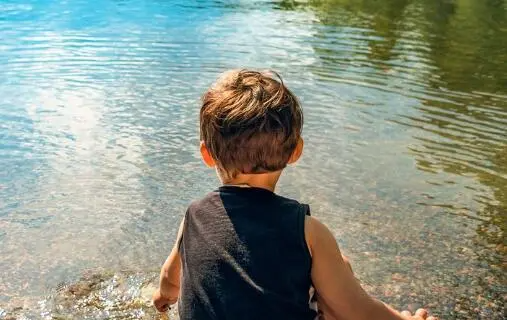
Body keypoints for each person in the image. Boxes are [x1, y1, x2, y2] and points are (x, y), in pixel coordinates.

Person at [152, 69, 438, 320]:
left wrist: (162, 300)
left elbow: (169, 279)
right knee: (339, 268)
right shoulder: (308, 232)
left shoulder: (195, 215)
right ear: (295, 151)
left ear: (207, 154)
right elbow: (357, 310)